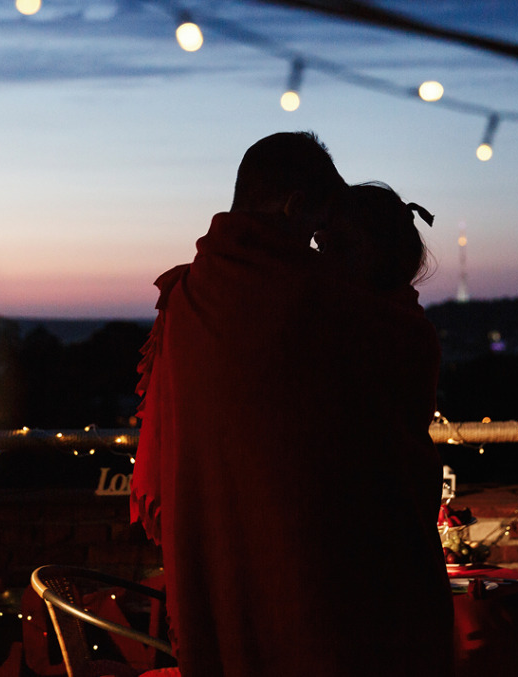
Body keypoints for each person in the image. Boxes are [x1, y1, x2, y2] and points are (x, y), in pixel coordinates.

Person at [131, 132, 454, 676]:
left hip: (220, 573)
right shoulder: (326, 304)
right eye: (316, 233)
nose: (314, 249)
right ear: (294, 206)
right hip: (329, 587)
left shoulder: (187, 299)